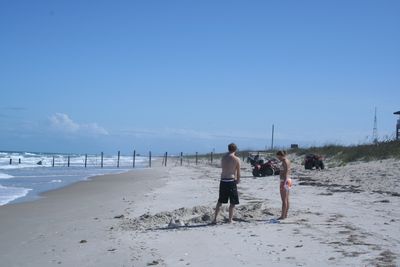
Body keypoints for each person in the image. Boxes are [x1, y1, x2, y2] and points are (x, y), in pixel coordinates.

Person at [212, 143, 241, 224]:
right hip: (231, 180)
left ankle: (215, 219)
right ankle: (230, 219)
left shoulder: (223, 158)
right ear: (235, 149)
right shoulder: (236, 159)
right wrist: (238, 180)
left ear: (228, 149)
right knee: (233, 202)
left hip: (223, 180)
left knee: (220, 201)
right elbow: (238, 172)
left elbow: (224, 168)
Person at [276, 150, 292, 220]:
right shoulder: (287, 161)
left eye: (278, 157)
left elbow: (285, 173)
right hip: (289, 180)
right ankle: (285, 214)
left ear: (281, 155)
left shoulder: (284, 162)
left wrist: (283, 184)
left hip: (285, 180)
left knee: (284, 200)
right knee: (287, 199)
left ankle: (282, 216)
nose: (278, 158)